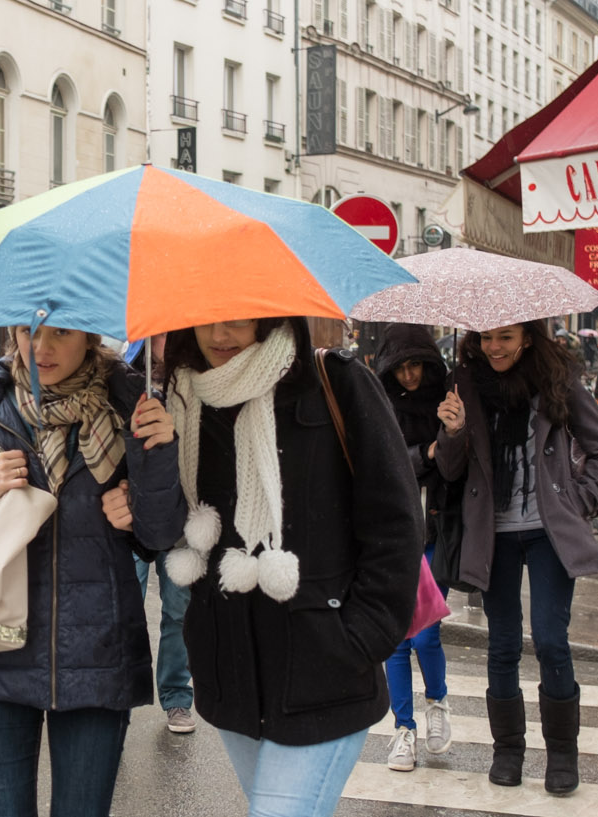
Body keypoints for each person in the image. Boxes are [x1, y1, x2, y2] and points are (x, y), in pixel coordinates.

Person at [0, 323, 184, 817]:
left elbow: (161, 536)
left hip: (97, 658)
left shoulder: (131, 406)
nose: (41, 348)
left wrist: (156, 460)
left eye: (60, 333)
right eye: (28, 332)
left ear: (89, 337)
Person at [162, 317, 422, 817]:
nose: (219, 335)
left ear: (271, 313)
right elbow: (160, 531)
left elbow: (397, 520)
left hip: (325, 672)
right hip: (230, 676)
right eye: (206, 319)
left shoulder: (336, 383)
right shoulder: (182, 399)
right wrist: (146, 456)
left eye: (236, 317)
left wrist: (361, 637)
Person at [434, 320, 598, 796]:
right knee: (501, 644)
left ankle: (561, 754)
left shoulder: (558, 382)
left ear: (527, 339)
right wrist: (453, 432)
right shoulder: (464, 384)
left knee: (552, 640)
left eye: (505, 338)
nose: (494, 347)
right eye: (486, 338)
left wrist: (576, 499)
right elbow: (450, 471)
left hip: (547, 532)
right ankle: (508, 751)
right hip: (491, 534)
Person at [373, 325, 454, 772]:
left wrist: (453, 432)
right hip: (394, 532)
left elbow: (458, 465)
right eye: (401, 367)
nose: (409, 376)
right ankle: (403, 730)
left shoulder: (447, 401)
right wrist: (426, 453)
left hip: (436, 529)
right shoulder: (379, 406)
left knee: (426, 632)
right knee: (398, 640)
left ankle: (437, 701)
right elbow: (382, 462)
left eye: (416, 365)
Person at [126, 336, 197, 735]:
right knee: (126, 609)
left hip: (180, 517)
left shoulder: (194, 379)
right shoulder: (125, 379)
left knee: (177, 613)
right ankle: (119, 697)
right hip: (132, 516)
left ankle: (176, 697)